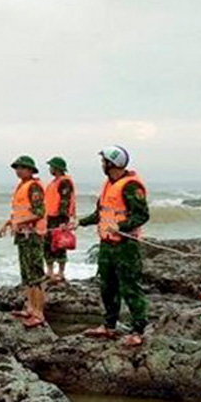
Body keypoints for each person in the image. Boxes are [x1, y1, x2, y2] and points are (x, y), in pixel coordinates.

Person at [77, 145, 150, 347]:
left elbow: (142, 215)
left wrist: (121, 226)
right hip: (107, 244)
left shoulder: (131, 186)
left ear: (112, 163)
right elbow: (100, 213)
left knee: (130, 287)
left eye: (104, 161)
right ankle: (109, 326)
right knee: (107, 287)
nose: (102, 164)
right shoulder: (108, 184)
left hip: (125, 245)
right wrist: (80, 222)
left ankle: (138, 330)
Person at [0, 156, 48, 329]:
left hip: (33, 235)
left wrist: (17, 223)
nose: (17, 171)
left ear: (29, 169)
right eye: (16, 168)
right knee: (27, 275)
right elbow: (20, 212)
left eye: (21, 168)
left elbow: (39, 212)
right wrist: (8, 223)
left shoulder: (34, 187)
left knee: (35, 275)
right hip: (23, 235)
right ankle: (29, 308)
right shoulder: (22, 186)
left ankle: (38, 313)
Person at [44, 156, 76, 283]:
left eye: (51, 167)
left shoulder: (64, 182)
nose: (50, 169)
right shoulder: (54, 182)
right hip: (50, 217)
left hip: (59, 218)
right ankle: (50, 271)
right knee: (48, 244)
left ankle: (61, 272)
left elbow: (65, 201)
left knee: (60, 244)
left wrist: (63, 220)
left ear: (57, 168)